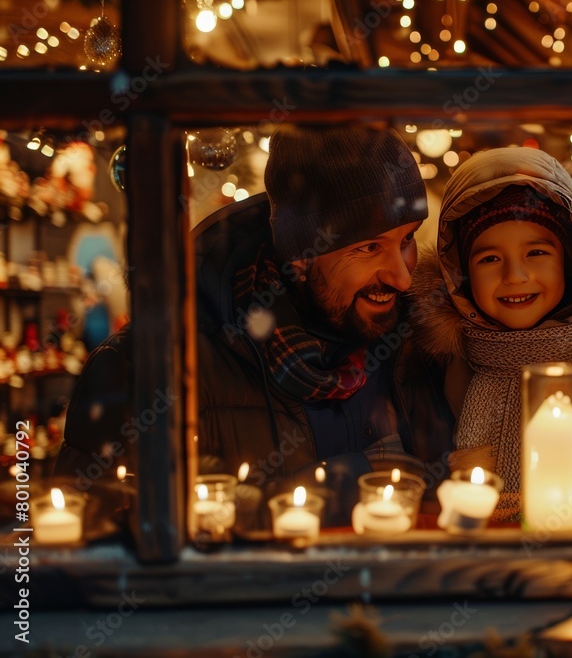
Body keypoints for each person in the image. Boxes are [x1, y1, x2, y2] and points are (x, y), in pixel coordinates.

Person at [56, 125, 454, 524]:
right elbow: (90, 548)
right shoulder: (146, 368)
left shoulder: (423, 342)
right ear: (299, 254)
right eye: (369, 247)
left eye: (407, 240)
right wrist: (340, 486)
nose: (402, 278)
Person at [410, 146, 572, 520]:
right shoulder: (451, 355)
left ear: (570, 260)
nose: (514, 276)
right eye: (489, 259)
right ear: (459, 274)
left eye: (536, 253)